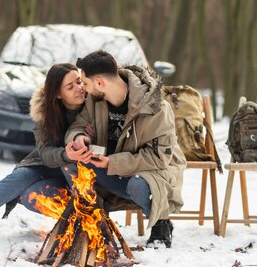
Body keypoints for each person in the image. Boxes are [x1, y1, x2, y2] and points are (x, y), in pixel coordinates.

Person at [0, 63, 92, 244]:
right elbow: (45, 153)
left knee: (28, 193)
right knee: (24, 181)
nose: (79, 88)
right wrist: (65, 155)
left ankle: (83, 219)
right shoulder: (46, 115)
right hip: (48, 165)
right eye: (70, 86)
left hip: (79, 174)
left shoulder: (94, 106)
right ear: (58, 94)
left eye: (79, 82)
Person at [63, 50, 186, 248]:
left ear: (100, 83)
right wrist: (79, 138)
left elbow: (158, 158)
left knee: (138, 185)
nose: (83, 89)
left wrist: (113, 162)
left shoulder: (156, 108)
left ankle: (161, 224)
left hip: (152, 173)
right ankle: (95, 222)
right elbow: (78, 125)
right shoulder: (95, 101)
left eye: (85, 83)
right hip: (110, 171)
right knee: (71, 163)